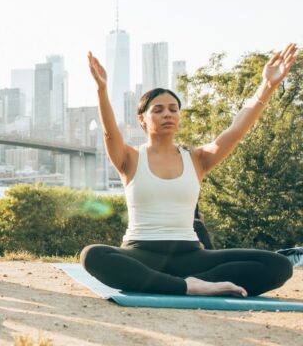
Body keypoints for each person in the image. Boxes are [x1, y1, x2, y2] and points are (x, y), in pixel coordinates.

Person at [80, 44, 298, 297]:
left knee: (278, 265)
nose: (167, 114)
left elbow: (236, 129)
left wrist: (267, 86)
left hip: (191, 255)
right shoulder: (129, 158)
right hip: (141, 252)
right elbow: (109, 132)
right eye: (158, 109)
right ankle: (187, 286)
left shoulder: (198, 158)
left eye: (173, 109)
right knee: (92, 255)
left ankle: (188, 283)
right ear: (142, 119)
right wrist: (102, 90)